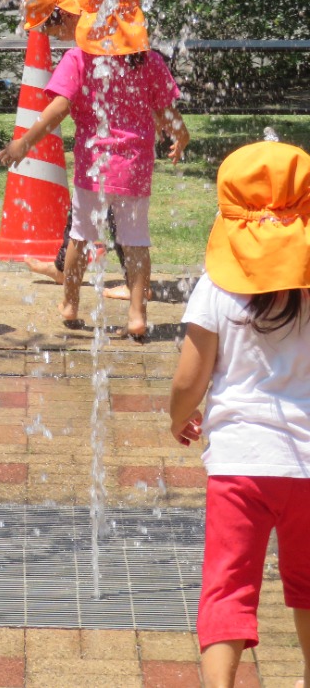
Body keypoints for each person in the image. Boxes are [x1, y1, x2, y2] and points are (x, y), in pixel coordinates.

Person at [169, 140, 310, 688]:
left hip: (240, 464)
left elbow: (191, 378)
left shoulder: (217, 287)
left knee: (228, 588)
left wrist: (176, 417)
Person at [0, 0, 189, 339]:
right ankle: (136, 315)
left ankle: (69, 303)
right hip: (135, 167)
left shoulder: (79, 60)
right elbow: (168, 115)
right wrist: (181, 138)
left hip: (94, 166)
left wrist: (24, 142)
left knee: (81, 236)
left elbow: (58, 109)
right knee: (135, 240)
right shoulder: (149, 62)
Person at [16, 0, 132, 303]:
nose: (49, 36)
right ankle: (64, 267)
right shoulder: (102, 21)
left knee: (114, 211)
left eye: (48, 27)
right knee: (92, 205)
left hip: (115, 140)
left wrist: (26, 140)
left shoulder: (88, 37)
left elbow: (62, 104)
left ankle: (135, 283)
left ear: (62, 13)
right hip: (114, 137)